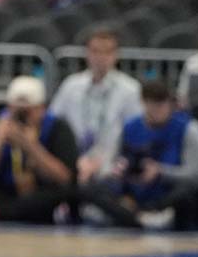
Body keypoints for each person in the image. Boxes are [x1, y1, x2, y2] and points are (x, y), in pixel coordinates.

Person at [80, 80, 198, 230]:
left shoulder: (189, 129)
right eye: (152, 105)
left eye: (161, 105)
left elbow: (196, 176)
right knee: (91, 188)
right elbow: (111, 164)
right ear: (143, 103)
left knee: (185, 193)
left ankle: (139, 214)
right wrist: (121, 172)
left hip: (165, 193)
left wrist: (161, 171)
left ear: (170, 104)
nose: (157, 111)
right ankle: (133, 215)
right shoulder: (129, 127)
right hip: (132, 193)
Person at [0, 76, 77, 223]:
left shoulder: (56, 127)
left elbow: (64, 178)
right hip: (4, 191)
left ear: (41, 108)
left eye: (28, 111)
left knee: (62, 195)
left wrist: (31, 147)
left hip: (40, 191)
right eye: (17, 110)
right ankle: (11, 211)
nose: (21, 116)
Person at [50, 28, 143, 185]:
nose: (101, 57)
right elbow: (53, 123)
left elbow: (136, 133)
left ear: (115, 55)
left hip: (112, 167)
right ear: (87, 53)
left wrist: (108, 163)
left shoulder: (130, 90)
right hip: (74, 163)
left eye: (107, 52)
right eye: (95, 51)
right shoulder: (71, 85)